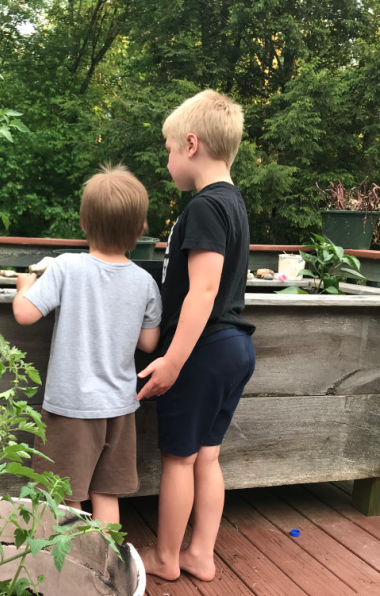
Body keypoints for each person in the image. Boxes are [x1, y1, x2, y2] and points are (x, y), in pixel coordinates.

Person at [136, 90, 256, 581]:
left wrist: (173, 360)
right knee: (207, 456)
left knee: (179, 461)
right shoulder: (235, 204)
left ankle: (166, 560)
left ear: (190, 144)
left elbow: (202, 292)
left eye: (167, 149)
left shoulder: (205, 207)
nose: (166, 160)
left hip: (203, 351)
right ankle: (200, 554)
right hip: (233, 349)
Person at [13, 164, 162, 524]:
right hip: (119, 407)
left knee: (65, 496)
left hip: (71, 407)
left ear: (83, 223)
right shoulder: (144, 282)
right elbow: (148, 342)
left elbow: (25, 315)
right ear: (140, 229)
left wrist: (24, 287)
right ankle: (108, 567)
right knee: (105, 492)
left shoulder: (66, 267)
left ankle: (72, 568)